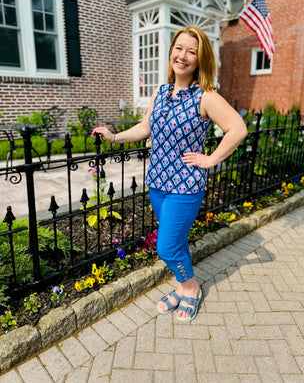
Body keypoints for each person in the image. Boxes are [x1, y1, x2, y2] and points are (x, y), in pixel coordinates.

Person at [92, 26, 247, 322]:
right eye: (179, 48)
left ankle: (190, 286)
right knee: (175, 242)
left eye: (192, 51)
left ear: (200, 59)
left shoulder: (206, 96)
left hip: (185, 186)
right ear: (171, 51)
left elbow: (237, 129)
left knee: (165, 246)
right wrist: (114, 138)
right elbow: (145, 127)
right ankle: (181, 286)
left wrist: (211, 159)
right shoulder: (161, 91)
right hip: (158, 183)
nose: (183, 56)